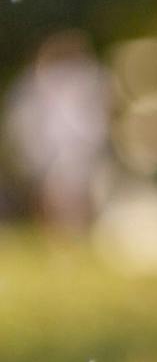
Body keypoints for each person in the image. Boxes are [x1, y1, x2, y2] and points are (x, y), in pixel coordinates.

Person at [3, 31, 114, 229]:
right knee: (59, 188)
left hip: (72, 149)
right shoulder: (38, 84)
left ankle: (73, 230)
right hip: (54, 150)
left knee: (72, 188)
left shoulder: (86, 79)